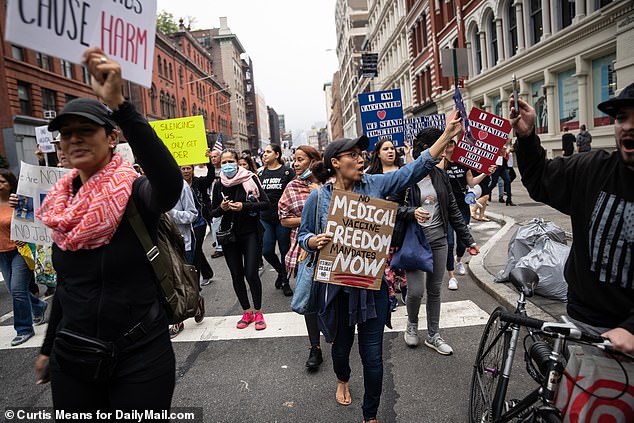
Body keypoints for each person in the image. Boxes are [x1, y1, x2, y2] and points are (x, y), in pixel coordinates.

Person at [34, 48, 180, 415]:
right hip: (74, 354)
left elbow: (169, 183)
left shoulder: (133, 191)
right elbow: (67, 287)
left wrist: (120, 106)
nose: (74, 139)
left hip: (140, 354)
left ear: (111, 138)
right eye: (67, 134)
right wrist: (49, 348)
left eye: (86, 131)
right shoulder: (59, 206)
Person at [297, 110, 462, 423]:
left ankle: (370, 415)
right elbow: (303, 235)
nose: (361, 160)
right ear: (335, 162)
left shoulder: (375, 184)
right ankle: (342, 378)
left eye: (362, 155)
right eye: (353, 155)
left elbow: (415, 169)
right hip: (337, 289)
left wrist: (446, 136)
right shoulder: (317, 200)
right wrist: (312, 242)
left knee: (373, 356)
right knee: (342, 350)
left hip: (371, 288)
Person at [510, 82, 634, 355]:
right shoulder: (593, 169)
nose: (627, 126)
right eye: (622, 117)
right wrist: (528, 137)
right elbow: (541, 179)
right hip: (583, 319)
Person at [395, 128, 479, 354]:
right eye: (443, 146)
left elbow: (452, 209)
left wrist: (468, 240)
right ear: (427, 149)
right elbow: (392, 208)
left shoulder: (440, 175)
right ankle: (411, 325)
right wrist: (412, 212)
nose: (446, 151)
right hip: (415, 242)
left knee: (434, 290)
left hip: (439, 240)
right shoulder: (406, 175)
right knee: (415, 291)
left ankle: (433, 334)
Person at [211, 149, 270, 330]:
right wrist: (222, 207)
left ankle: (258, 311)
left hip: (250, 231)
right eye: (224, 162)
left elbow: (266, 203)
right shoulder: (218, 184)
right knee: (236, 274)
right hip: (229, 236)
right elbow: (212, 212)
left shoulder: (250, 178)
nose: (227, 165)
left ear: (237, 162)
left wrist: (243, 206)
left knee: (251, 273)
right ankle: (247, 311)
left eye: (230, 161)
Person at [278, 145, 324, 369]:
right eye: (294, 160)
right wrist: (310, 217)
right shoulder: (292, 187)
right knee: (309, 299)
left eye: (300, 160)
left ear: (314, 162)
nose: (295, 164)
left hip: (333, 251)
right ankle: (315, 348)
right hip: (304, 252)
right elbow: (284, 219)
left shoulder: (331, 184)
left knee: (332, 299)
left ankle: (337, 338)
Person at [0, 169, 48, 346]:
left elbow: (36, 218)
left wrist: (21, 205)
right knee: (15, 291)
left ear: (10, 183)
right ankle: (38, 306)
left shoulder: (19, 201)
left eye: (2, 181)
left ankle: (24, 329)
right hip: (2, 254)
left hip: (21, 251)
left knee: (18, 290)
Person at [440, 138, 490, 290]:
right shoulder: (441, 164)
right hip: (447, 208)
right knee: (449, 242)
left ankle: (459, 260)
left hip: (462, 207)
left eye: (452, 143)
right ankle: (451, 276)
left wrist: (484, 173)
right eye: (447, 143)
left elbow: (471, 182)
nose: (449, 145)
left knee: (462, 240)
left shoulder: (463, 163)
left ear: (455, 146)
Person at [364, 138, 406, 310]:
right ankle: (390, 296)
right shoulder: (370, 175)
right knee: (385, 265)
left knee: (402, 261)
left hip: (402, 225)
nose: (390, 151)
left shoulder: (404, 172)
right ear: (378, 154)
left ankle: (404, 287)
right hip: (380, 227)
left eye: (392, 148)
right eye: (385, 149)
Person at [258, 144, 296, 296]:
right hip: (265, 218)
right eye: (264, 152)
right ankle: (281, 271)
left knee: (284, 250)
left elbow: (294, 191)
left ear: (277, 154)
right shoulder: (260, 174)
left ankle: (286, 282)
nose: (265, 155)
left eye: (268, 152)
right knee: (266, 250)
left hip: (283, 218)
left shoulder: (287, 172)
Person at [167, 179, 199, 338]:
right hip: (162, 244)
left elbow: (192, 214)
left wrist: (170, 213)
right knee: (170, 282)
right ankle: (177, 319)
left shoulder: (181, 186)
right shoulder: (146, 186)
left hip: (183, 242)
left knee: (184, 282)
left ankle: (196, 300)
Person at [180, 164, 214, 286]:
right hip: (186, 223)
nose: (186, 171)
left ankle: (196, 284)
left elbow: (210, 177)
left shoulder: (199, 182)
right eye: (183, 169)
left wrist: (208, 161)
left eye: (188, 168)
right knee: (197, 249)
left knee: (196, 250)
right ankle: (208, 273)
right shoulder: (178, 185)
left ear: (193, 170)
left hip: (200, 221)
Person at [488, 140, 515, 206]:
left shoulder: (505, 147)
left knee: (508, 181)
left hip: (503, 168)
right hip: (497, 168)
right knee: (493, 183)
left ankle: (509, 200)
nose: (508, 140)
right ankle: (485, 194)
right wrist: (507, 152)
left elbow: (505, 158)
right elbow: (502, 155)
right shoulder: (496, 147)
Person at [209, 149, 224, 259]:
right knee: (215, 223)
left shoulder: (225, 168)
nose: (213, 159)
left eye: (215, 156)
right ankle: (219, 247)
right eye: (211, 157)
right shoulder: (210, 170)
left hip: (224, 198)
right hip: (213, 200)